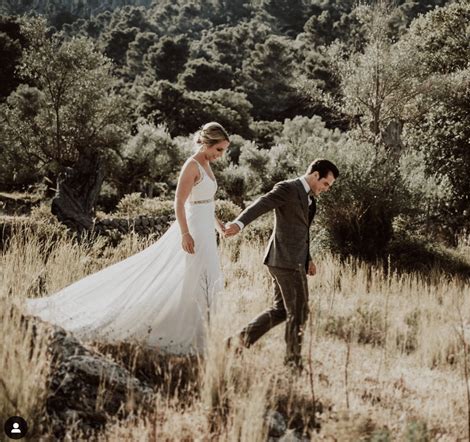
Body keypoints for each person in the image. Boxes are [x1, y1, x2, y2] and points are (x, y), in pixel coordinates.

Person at [25, 122, 230, 355]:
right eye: (218, 150)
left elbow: (206, 203)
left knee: (205, 278)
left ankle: (201, 333)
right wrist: (184, 234)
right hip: (192, 231)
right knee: (187, 277)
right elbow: (179, 203)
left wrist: (219, 225)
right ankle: (178, 329)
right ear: (205, 143)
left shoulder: (207, 165)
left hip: (206, 231)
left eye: (223, 151)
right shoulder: (191, 165)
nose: (220, 156)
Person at [225, 159, 339, 370]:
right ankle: (293, 363)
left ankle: (236, 343)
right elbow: (261, 204)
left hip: (291, 260)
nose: (326, 189)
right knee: (300, 311)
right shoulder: (288, 188)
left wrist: (308, 258)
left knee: (281, 310)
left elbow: (302, 232)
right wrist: (239, 224)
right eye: (326, 184)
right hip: (285, 260)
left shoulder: (310, 199)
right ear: (315, 175)